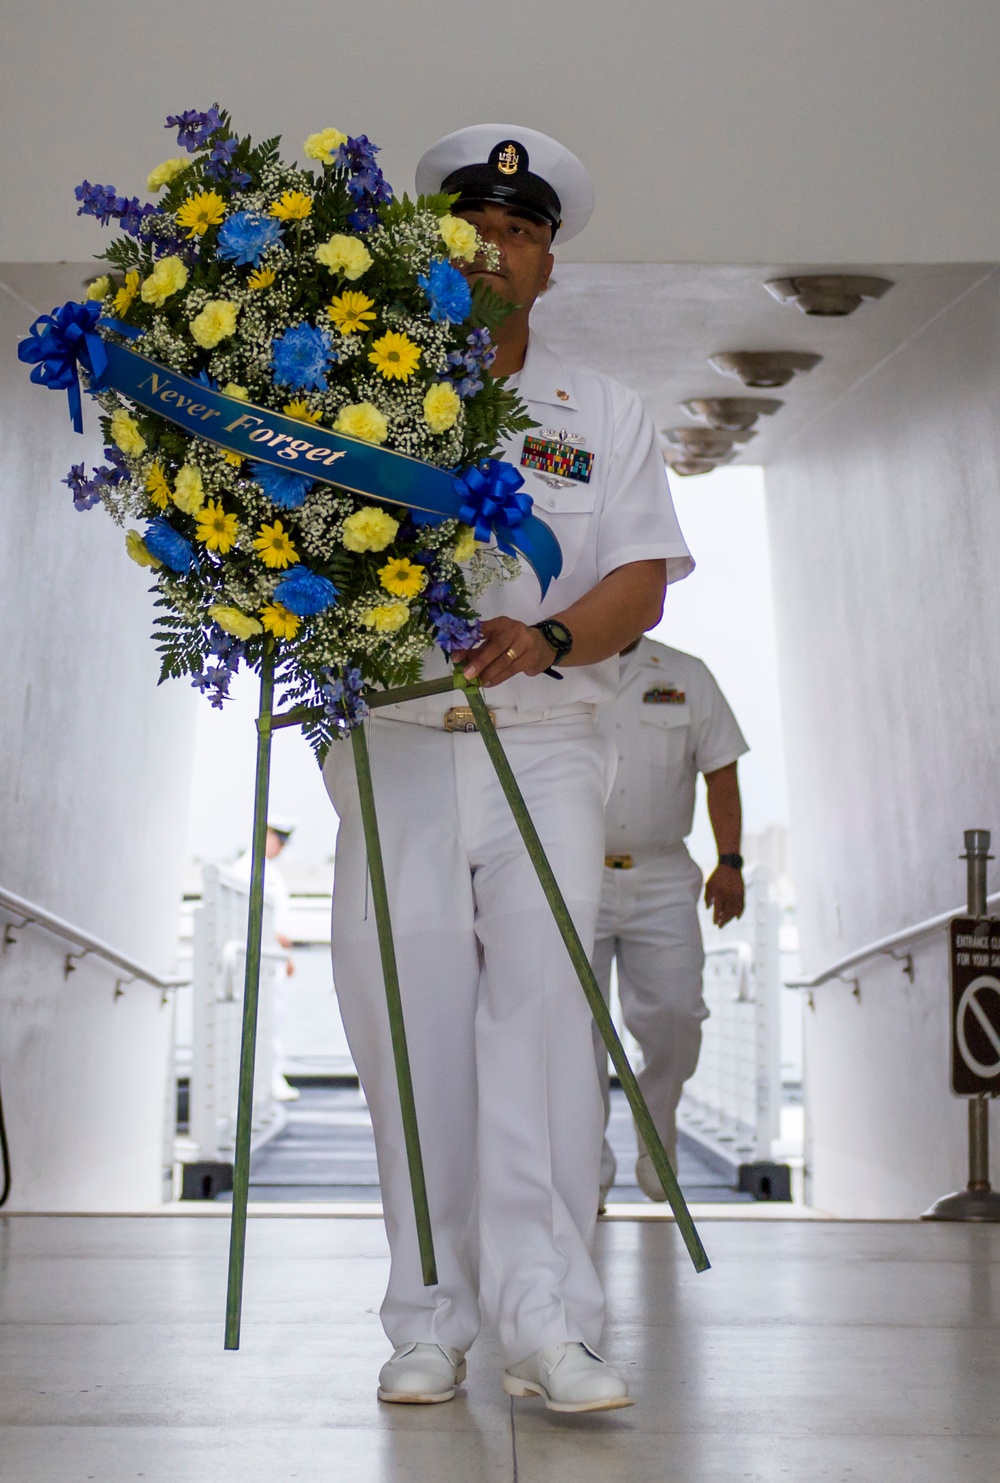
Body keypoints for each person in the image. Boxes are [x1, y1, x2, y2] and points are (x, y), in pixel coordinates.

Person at [322, 126, 693, 1413]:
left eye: (520, 232)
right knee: (403, 1021)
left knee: (539, 1015)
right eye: (472, 227)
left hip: (541, 736)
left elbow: (638, 579)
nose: (494, 248)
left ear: (546, 269)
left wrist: (541, 636)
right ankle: (427, 1315)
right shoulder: (336, 389)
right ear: (429, 249)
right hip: (393, 746)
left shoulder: (604, 413)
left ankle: (550, 1322)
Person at [592, 637, 748, 1208]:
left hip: (662, 875)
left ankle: (657, 1139)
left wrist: (729, 861)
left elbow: (721, 772)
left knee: (678, 1017)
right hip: (571, 874)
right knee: (574, 1029)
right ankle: (588, 1171)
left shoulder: (686, 674)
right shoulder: (556, 664)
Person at [233, 816, 299, 1102]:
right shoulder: (245, 870)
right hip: (259, 960)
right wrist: (276, 938)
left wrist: (286, 954)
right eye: (279, 838)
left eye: (286, 842)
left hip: (273, 960)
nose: (282, 847)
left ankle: (270, 1079)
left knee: (274, 1019)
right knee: (263, 1021)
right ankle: (266, 1081)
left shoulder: (269, 871)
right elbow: (242, 916)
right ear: (266, 833)